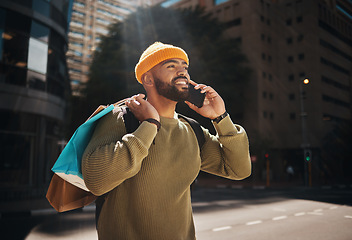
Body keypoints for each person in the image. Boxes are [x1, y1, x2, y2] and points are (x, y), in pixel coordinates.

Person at [82, 42, 251, 240]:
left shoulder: (192, 130)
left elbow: (239, 170)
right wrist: (150, 124)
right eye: (171, 66)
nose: (183, 72)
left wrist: (220, 118)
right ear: (148, 79)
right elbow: (95, 180)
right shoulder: (120, 119)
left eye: (185, 67)